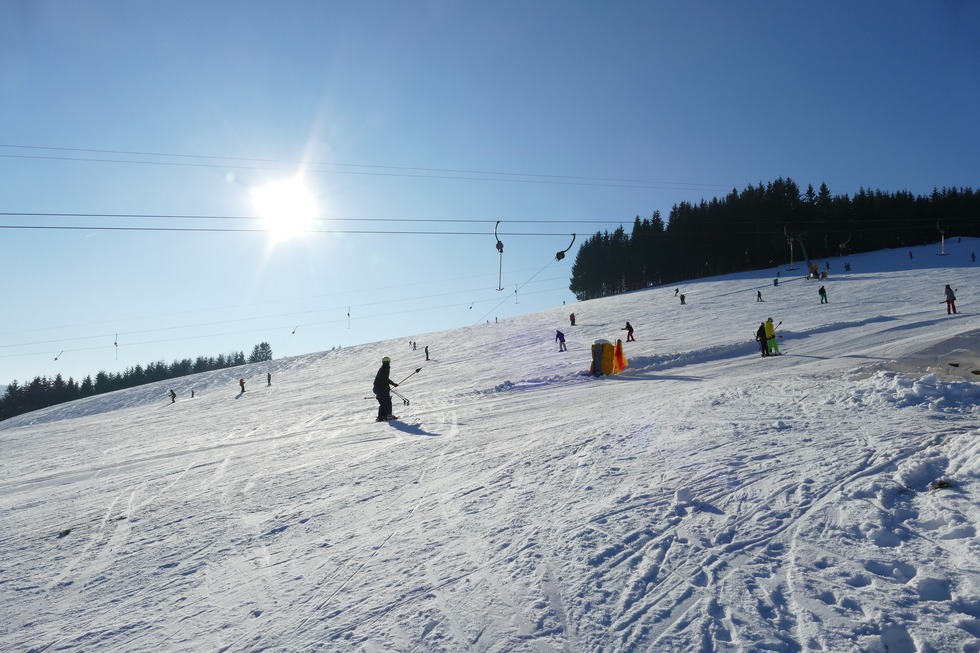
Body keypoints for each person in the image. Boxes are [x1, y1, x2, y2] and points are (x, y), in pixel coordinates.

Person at [373, 356, 399, 421]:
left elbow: (383, 379)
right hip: (381, 388)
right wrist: (393, 384)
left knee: (383, 402)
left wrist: (389, 386)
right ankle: (388, 415)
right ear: (389, 362)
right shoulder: (385, 368)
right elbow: (385, 379)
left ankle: (381, 416)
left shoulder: (382, 368)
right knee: (387, 401)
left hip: (377, 388)